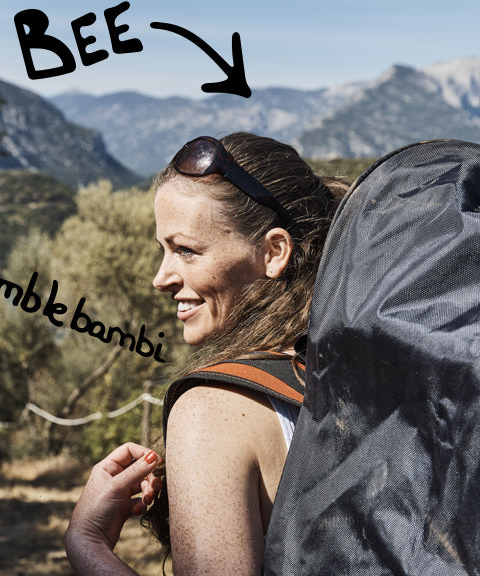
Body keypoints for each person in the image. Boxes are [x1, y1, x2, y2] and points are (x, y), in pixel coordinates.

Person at [65, 132, 347, 575]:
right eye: (163, 250)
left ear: (273, 252)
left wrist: (89, 545)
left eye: (186, 251)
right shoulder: (354, 372)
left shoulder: (212, 411)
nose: (161, 278)